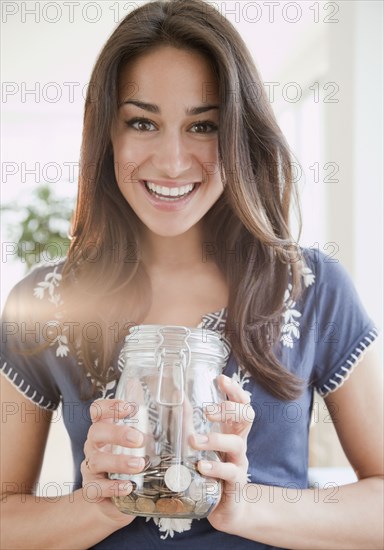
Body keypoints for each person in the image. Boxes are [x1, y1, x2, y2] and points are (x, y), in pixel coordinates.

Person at [1, 1, 382, 548]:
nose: (174, 161)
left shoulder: (312, 286)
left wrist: (247, 506)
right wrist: (95, 507)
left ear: (239, 137)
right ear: (107, 134)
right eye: (142, 122)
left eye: (203, 126)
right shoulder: (41, 301)